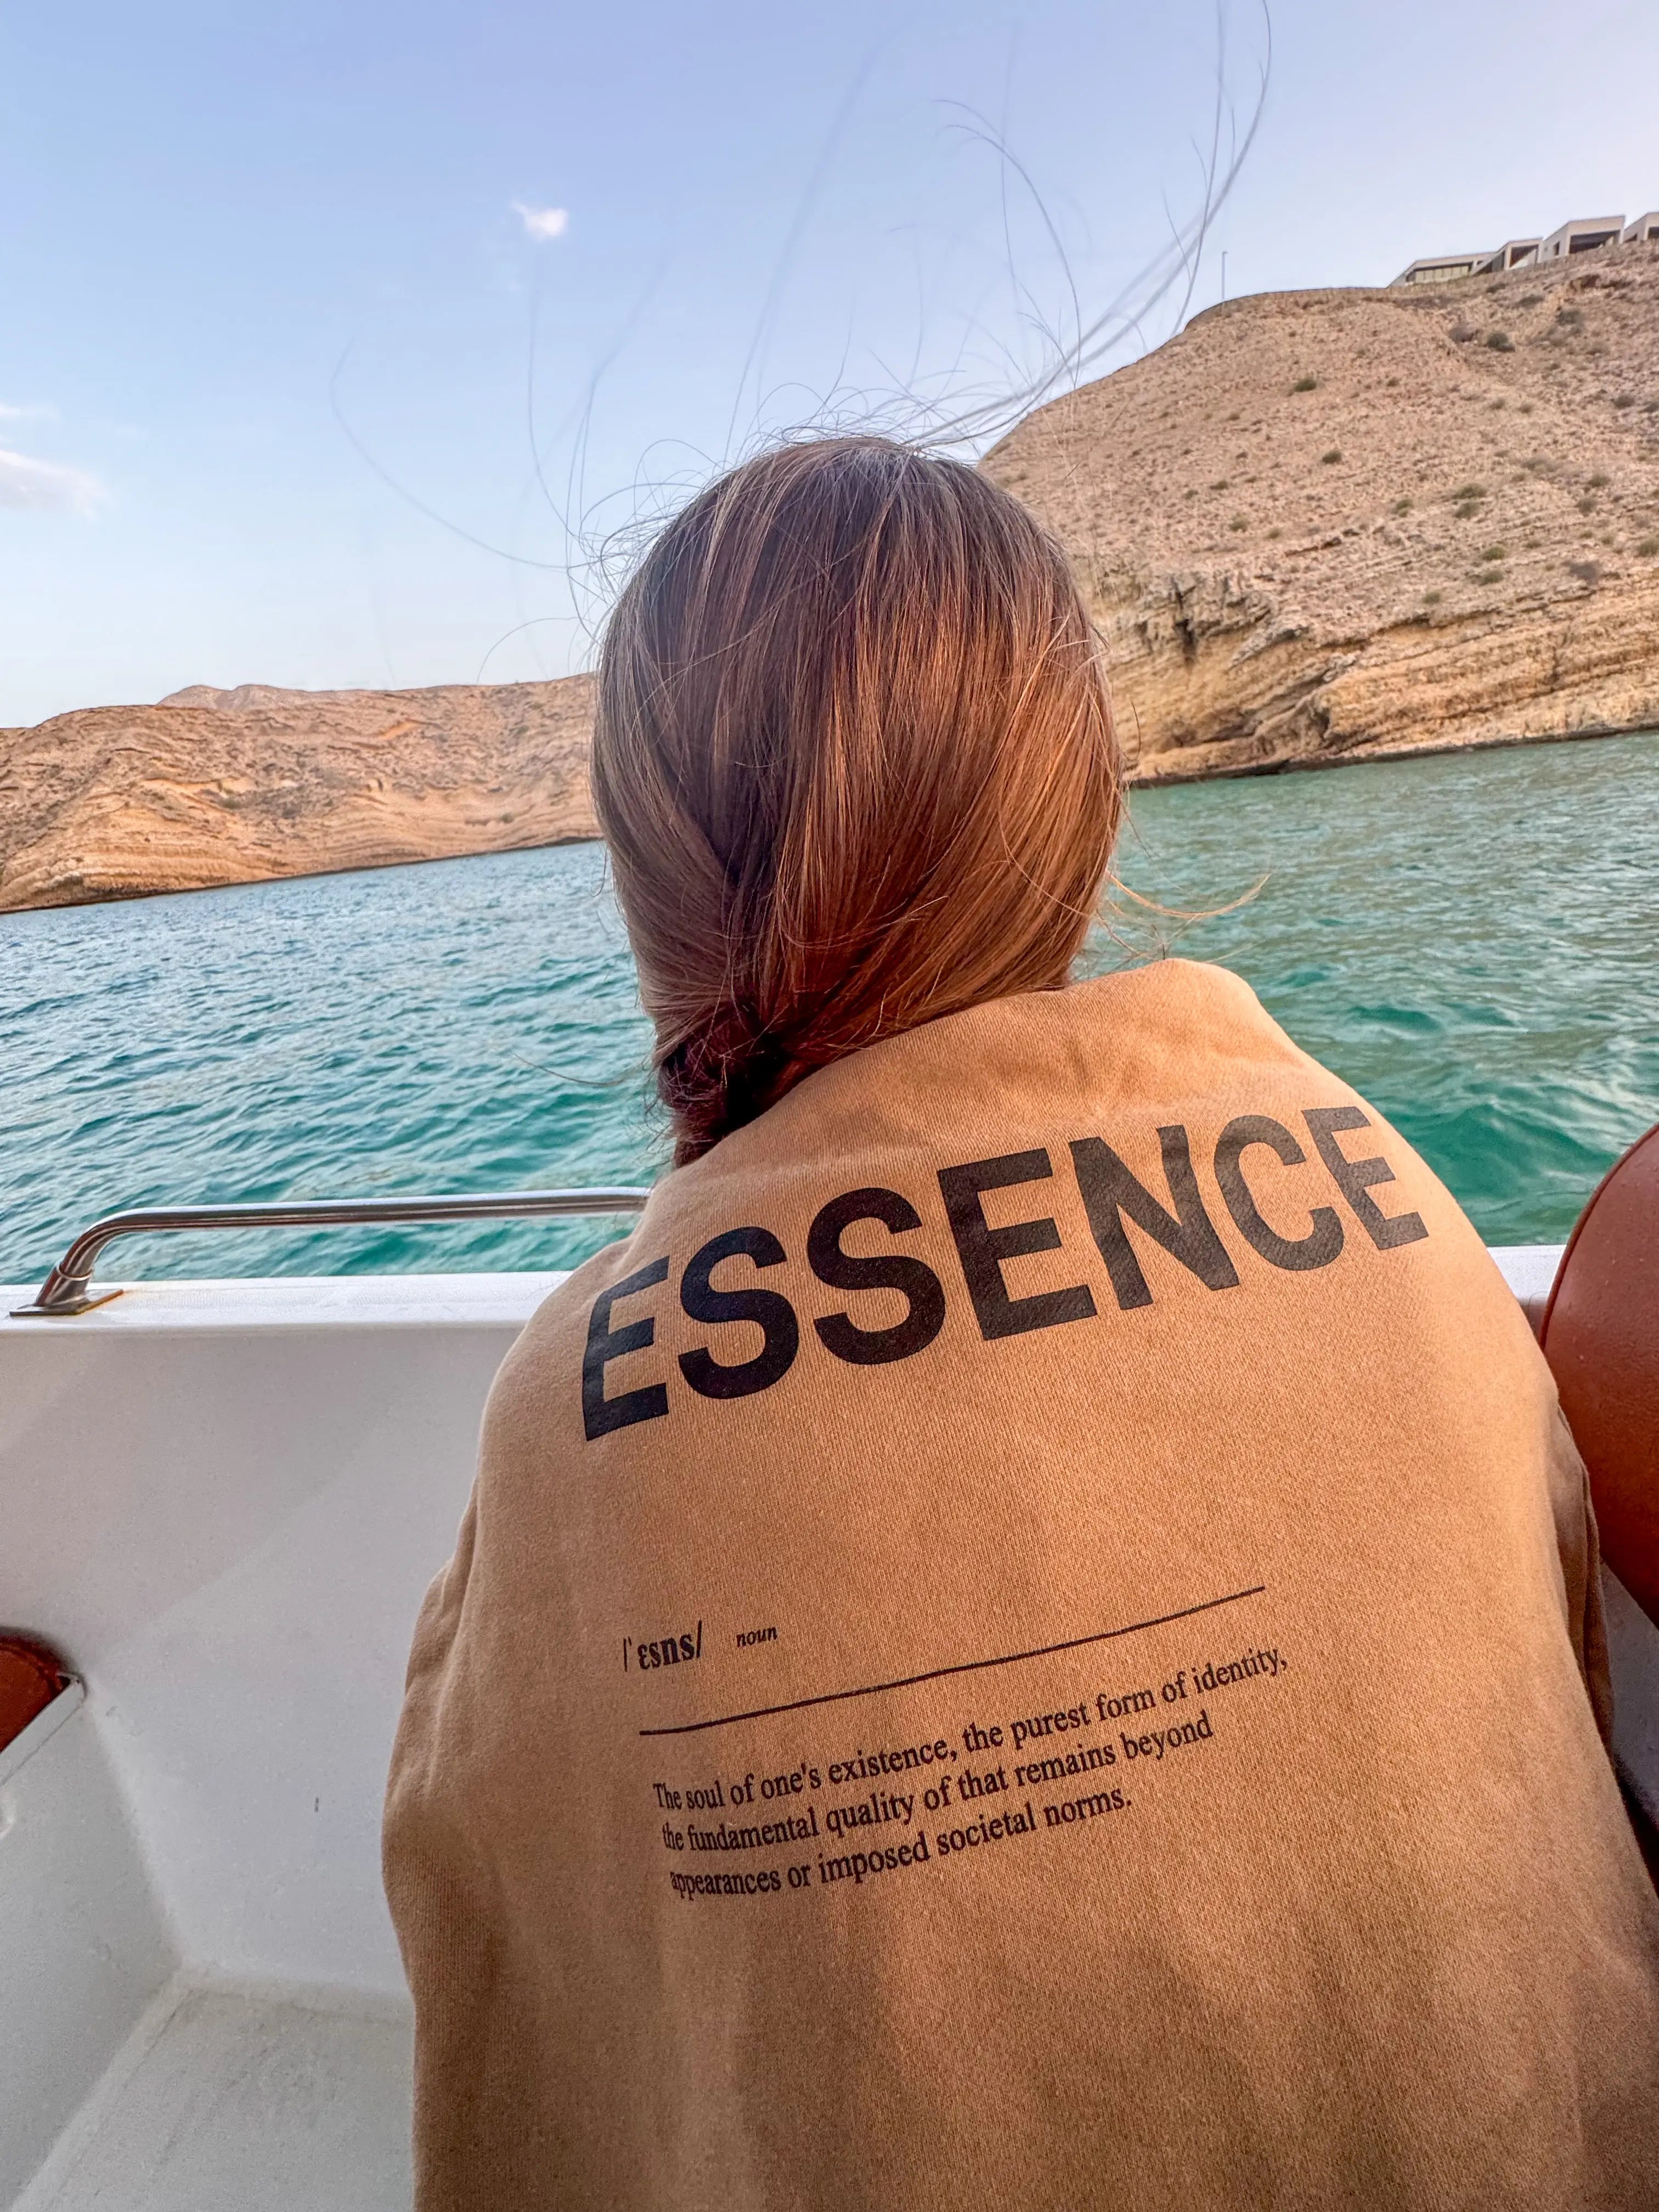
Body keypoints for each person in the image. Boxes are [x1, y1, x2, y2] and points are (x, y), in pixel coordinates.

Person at [383, 437, 1659, 2209]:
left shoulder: (571, 1414)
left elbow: (536, 1984)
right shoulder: (1379, 1186)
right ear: (1081, 815)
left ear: (649, 870)